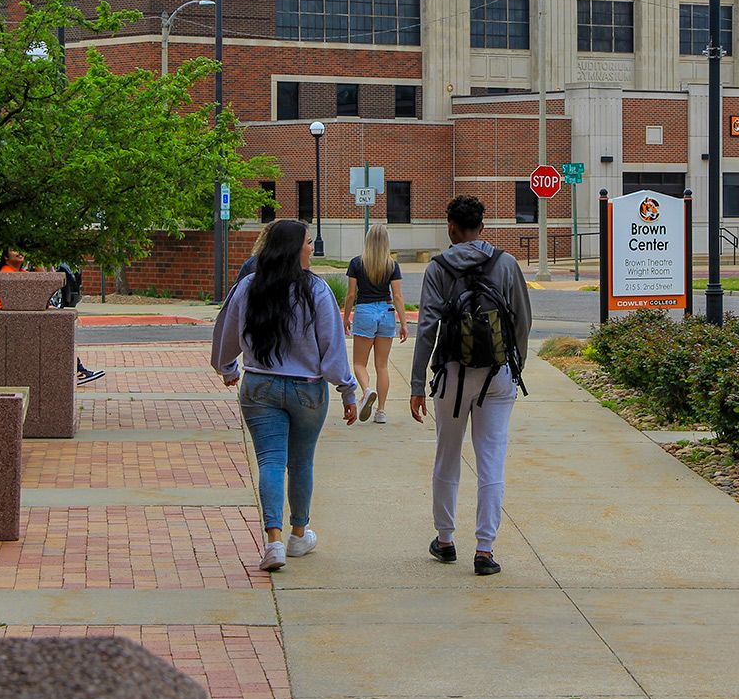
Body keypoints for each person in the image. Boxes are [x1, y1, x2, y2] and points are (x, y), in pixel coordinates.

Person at [211, 220, 358, 572]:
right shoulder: (317, 291)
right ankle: (298, 534)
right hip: (307, 388)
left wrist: (228, 369)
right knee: (301, 463)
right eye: (309, 242)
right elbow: (332, 347)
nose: (312, 248)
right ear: (294, 249)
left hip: (259, 385)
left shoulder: (249, 286)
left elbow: (226, 335)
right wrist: (347, 389)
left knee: (271, 462)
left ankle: (273, 542)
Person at [410, 195, 531, 576]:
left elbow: (427, 327)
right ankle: (485, 549)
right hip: (498, 375)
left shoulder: (438, 267)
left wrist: (417, 383)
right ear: (483, 226)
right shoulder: (507, 263)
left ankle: (445, 540)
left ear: (451, 228)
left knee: (447, 453)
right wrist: (516, 366)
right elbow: (523, 322)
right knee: (491, 458)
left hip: (452, 374)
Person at [0, 250, 104, 384]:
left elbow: (44, 282)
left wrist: (37, 261)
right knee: (56, 334)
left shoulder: (21, 274)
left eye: (21, 250)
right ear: (5, 256)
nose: (19, 252)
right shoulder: (7, 273)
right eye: (14, 250)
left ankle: (76, 370)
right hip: (15, 323)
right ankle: (77, 371)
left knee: (58, 333)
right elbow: (19, 302)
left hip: (23, 319)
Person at [342, 224, 408, 424]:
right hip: (386, 312)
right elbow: (397, 295)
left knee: (359, 363)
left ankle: (366, 391)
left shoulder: (356, 263)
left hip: (365, 311)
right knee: (382, 365)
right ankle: (381, 411)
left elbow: (351, 294)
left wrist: (346, 317)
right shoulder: (391, 265)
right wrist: (403, 323)